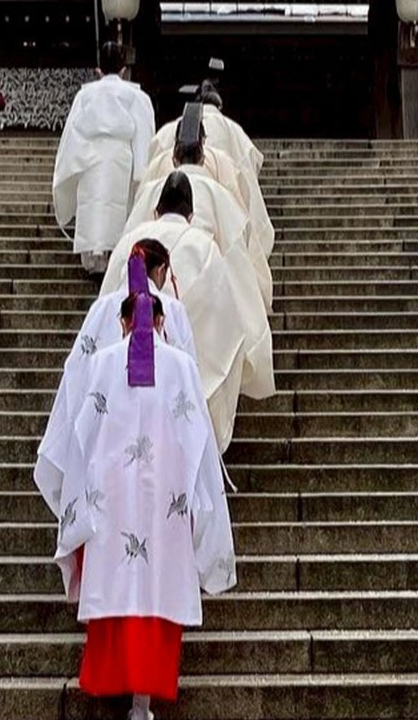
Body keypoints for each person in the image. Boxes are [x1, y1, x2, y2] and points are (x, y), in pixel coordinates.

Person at [42, 245, 237, 720]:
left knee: (116, 583)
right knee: (158, 589)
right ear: (159, 320)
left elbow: (80, 435)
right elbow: (198, 442)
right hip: (164, 506)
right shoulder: (183, 369)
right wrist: (203, 506)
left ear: (124, 321)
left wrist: (79, 498)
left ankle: (120, 689)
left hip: (113, 503)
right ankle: (143, 702)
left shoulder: (103, 364)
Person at [99, 172, 273, 449]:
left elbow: (107, 303)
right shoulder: (205, 247)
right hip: (183, 365)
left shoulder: (130, 240)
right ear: (191, 215)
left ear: (156, 212)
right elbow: (225, 317)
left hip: (130, 363)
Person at [37, 238, 198, 509]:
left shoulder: (102, 309)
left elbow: (77, 370)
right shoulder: (173, 311)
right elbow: (189, 383)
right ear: (160, 271)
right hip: (162, 435)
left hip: (107, 434)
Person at [128, 106, 268, 307]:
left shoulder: (152, 188)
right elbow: (237, 243)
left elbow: (130, 236)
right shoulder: (221, 192)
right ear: (203, 156)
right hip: (206, 280)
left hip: (152, 282)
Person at [54, 41, 157, 274]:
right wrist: (142, 168)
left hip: (90, 156)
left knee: (93, 205)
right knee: (118, 206)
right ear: (123, 69)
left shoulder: (85, 95)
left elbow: (73, 133)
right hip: (121, 156)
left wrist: (71, 165)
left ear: (98, 70)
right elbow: (143, 132)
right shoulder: (136, 96)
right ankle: (116, 258)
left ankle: (93, 259)